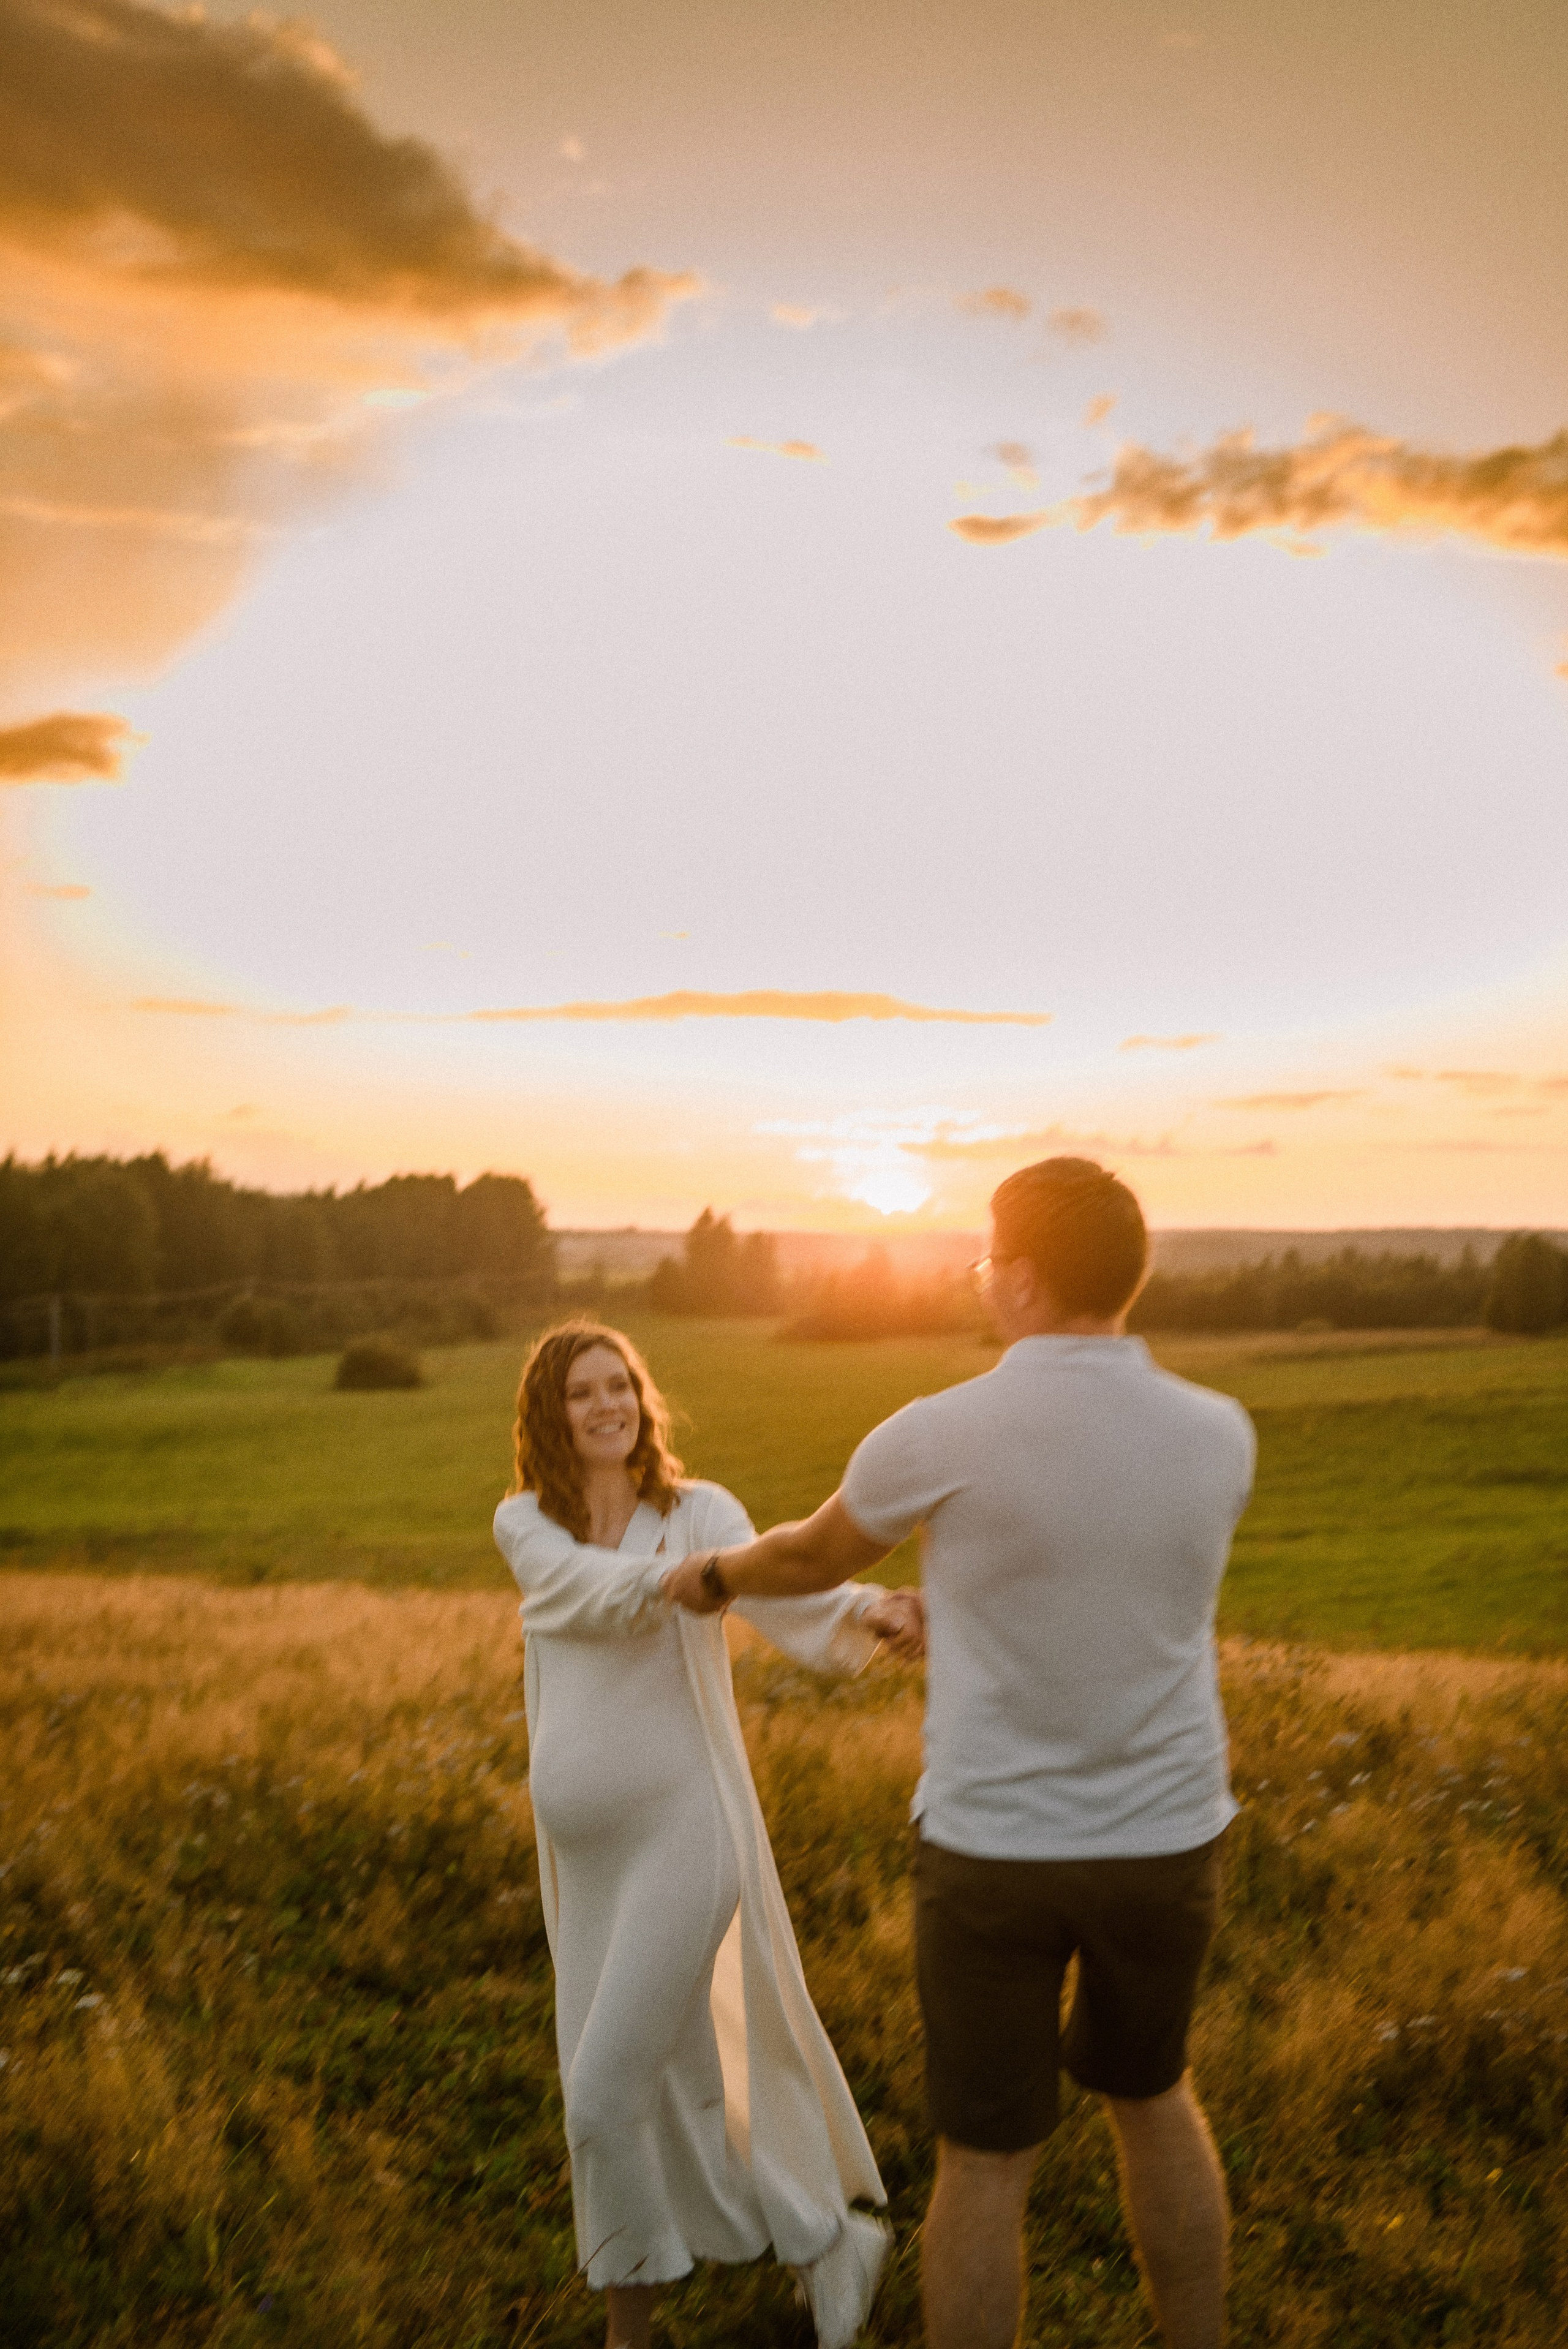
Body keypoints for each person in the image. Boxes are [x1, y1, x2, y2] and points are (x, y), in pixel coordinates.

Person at [665, 1158, 1256, 2349]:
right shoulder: (1217, 1432)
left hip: (995, 1848)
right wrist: (976, 1618)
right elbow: (1111, 1589)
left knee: (984, 2162)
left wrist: (713, 1573)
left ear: (1024, 1279)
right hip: (1166, 1835)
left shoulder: (940, 1428)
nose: (983, 1278)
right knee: (1153, 2098)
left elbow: (809, 1557)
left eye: (990, 1259)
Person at [493, 1319, 921, 2349]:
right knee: (658, 2085)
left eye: (621, 1386)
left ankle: (655, 2322)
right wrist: (681, 1583)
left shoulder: (702, 1516)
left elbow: (788, 1591)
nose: (608, 1406)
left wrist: (869, 1608)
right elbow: (577, 1595)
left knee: (599, 2096)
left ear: (643, 1401)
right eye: (582, 1393)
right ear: (550, 1416)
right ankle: (815, 2247)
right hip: (587, 1863)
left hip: (685, 1837)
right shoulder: (524, 1523)